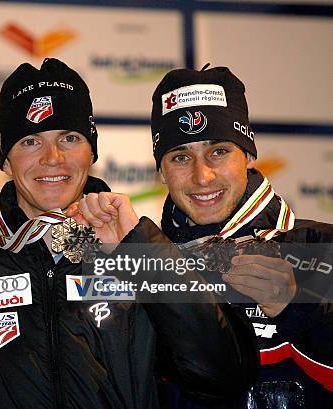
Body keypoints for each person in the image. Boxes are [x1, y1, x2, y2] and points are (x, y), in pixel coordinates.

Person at [0, 58, 259, 408]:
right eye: (30, 141)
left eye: (69, 138)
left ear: (91, 152)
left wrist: (142, 251)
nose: (53, 158)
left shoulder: (140, 250)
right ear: (5, 160)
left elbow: (223, 379)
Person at [147, 66, 333, 408]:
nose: (202, 176)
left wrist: (299, 308)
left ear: (247, 155)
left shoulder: (323, 248)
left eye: (219, 151)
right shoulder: (149, 269)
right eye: (180, 157)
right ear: (161, 170)